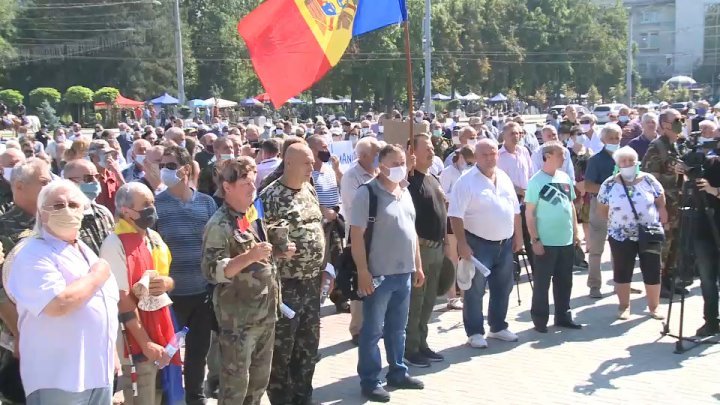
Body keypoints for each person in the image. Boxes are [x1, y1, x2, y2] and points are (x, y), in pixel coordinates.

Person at [8, 180, 119, 404]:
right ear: (42, 212)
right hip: (58, 378)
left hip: (98, 373)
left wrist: (112, 353)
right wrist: (97, 275)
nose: (67, 209)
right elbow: (57, 304)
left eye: (73, 204)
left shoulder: (84, 250)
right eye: (57, 205)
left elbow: (105, 306)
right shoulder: (32, 253)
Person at [201, 157, 294, 405]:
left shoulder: (251, 215)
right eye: (246, 184)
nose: (253, 188)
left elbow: (261, 254)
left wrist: (278, 250)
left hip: (265, 315)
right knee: (235, 387)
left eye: (253, 183)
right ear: (227, 187)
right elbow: (212, 271)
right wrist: (249, 256)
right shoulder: (219, 224)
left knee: (258, 383)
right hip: (238, 322)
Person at [350, 144, 425, 402]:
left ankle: (397, 371)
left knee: (397, 329)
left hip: (403, 272)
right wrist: (362, 271)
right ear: (380, 165)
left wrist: (418, 265)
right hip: (378, 275)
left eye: (402, 162)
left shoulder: (404, 192)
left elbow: (411, 231)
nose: (399, 167)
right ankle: (370, 380)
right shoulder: (367, 193)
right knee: (372, 331)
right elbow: (356, 235)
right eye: (394, 163)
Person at [260, 143, 325, 405]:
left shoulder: (310, 189)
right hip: (286, 285)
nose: (312, 167)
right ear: (289, 163)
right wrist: (276, 252)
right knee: (283, 349)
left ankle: (303, 395)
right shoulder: (269, 196)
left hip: (311, 283)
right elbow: (257, 239)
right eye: (307, 162)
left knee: (308, 345)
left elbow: (319, 227)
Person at [100, 182, 176, 405]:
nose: (151, 208)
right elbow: (123, 300)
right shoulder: (114, 244)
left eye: (152, 202)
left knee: (162, 395)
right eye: (145, 204)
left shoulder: (153, 237)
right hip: (135, 339)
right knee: (142, 398)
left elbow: (166, 278)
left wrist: (167, 283)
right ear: (126, 212)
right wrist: (145, 343)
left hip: (161, 330)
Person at [154, 145, 217, 405]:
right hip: (171, 297)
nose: (165, 171)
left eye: (170, 166)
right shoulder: (157, 205)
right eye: (162, 166)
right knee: (168, 353)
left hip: (202, 293)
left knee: (197, 353)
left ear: (186, 169)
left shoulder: (207, 203)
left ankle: (195, 397)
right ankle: (169, 397)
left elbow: (215, 244)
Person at [449, 138, 522, 348]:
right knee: (474, 289)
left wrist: (518, 237)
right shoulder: (466, 181)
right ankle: (474, 331)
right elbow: (455, 215)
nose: (490, 158)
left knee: (503, 286)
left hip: (505, 243)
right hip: (478, 244)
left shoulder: (504, 177)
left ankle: (498, 327)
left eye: (493, 154)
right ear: (476, 157)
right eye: (485, 155)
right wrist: (462, 244)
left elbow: (515, 210)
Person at [597, 146, 667, 320]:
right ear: (618, 163)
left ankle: (654, 307)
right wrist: (620, 221)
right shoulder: (609, 183)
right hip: (620, 235)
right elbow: (602, 210)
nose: (627, 164)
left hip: (649, 233)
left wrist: (662, 217)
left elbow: (660, 199)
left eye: (631, 161)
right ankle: (624, 306)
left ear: (637, 163)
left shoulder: (649, 180)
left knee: (652, 269)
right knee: (622, 270)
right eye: (623, 161)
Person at [525, 141, 582, 333]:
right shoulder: (536, 181)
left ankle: (563, 316)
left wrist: (575, 230)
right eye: (560, 154)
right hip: (546, 241)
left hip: (565, 239)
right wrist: (535, 239)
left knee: (565, 281)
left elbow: (571, 205)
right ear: (548, 156)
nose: (564, 158)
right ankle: (540, 319)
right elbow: (530, 213)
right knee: (542, 283)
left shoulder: (564, 177)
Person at [403, 134, 447, 367]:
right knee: (416, 302)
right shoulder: (408, 181)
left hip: (438, 248)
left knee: (429, 301)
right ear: (412, 151)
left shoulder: (434, 178)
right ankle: (410, 348)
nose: (432, 151)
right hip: (420, 249)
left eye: (432, 147)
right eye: (426, 148)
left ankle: (422, 342)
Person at [641, 108, 686, 298]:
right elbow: (649, 178)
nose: (680, 123)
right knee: (663, 247)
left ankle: (670, 279)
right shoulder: (657, 147)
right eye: (676, 120)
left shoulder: (678, 145)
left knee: (676, 245)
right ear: (665, 125)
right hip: (665, 205)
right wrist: (673, 172)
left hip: (679, 204)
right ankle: (658, 285)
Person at [340, 137, 380, 344]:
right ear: (364, 156)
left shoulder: (378, 172)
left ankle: (373, 324)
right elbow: (354, 207)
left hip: (379, 235)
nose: (379, 157)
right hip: (359, 235)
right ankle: (357, 329)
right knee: (359, 280)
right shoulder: (351, 176)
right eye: (376, 153)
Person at [307, 135, 347, 313]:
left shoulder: (330, 169)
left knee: (338, 259)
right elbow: (308, 196)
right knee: (319, 262)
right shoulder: (307, 173)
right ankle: (315, 299)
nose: (326, 150)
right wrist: (323, 210)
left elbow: (342, 187)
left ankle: (340, 297)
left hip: (334, 221)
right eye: (322, 147)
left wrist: (337, 170)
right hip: (318, 223)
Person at [583, 124, 622, 298]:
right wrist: (609, 188)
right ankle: (594, 285)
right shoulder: (596, 160)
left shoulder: (626, 158)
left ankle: (620, 284)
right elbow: (588, 185)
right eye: (612, 138)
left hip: (622, 208)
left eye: (617, 138)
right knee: (596, 248)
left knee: (620, 248)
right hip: (600, 206)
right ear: (603, 139)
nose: (615, 141)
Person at [63, 159, 115, 254]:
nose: (95, 182)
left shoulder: (104, 213)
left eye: (97, 176)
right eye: (88, 178)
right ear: (70, 182)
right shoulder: (65, 218)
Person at [695, 155, 720, 336]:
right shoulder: (710, 162)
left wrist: (715, 191)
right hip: (704, 229)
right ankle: (711, 321)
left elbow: (709, 190)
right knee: (707, 280)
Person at [88, 140, 125, 214]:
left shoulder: (114, 174)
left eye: (109, 153)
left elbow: (126, 194)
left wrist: (117, 173)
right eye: (104, 154)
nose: (108, 157)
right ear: (92, 156)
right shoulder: (88, 177)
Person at [0, 148, 24, 214]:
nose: (16, 168)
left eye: (20, 165)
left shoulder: (31, 188)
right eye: (11, 164)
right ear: (1, 168)